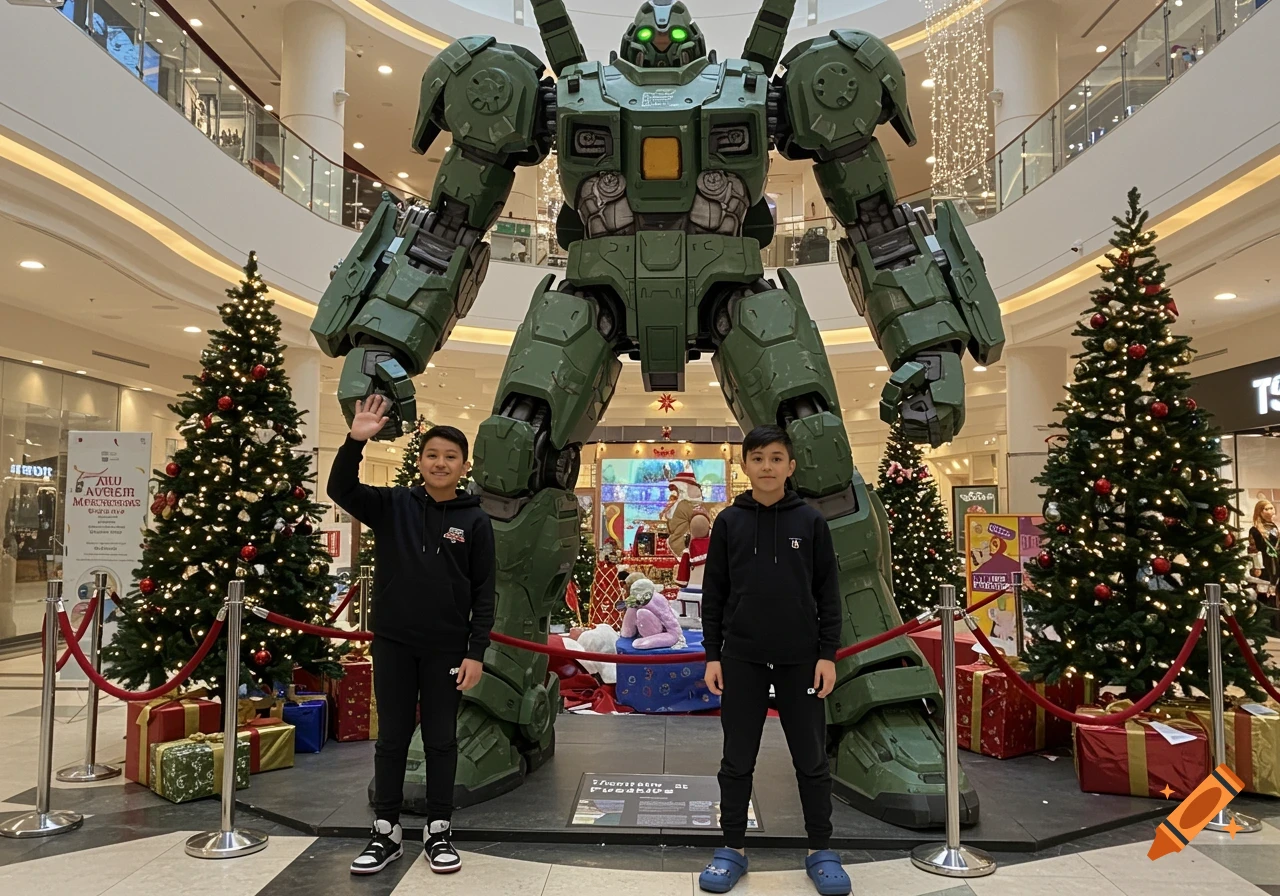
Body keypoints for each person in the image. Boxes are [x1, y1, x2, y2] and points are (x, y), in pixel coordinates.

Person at [328, 395, 495, 876]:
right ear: (420, 461)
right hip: (394, 642)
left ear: (464, 465)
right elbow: (340, 487)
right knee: (393, 738)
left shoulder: (475, 520)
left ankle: (439, 828)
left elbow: (485, 591)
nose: (440, 463)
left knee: (442, 739)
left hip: (447, 648)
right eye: (432, 455)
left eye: (450, 456)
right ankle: (387, 831)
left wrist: (476, 651)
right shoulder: (393, 504)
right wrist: (355, 441)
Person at [698, 424, 849, 896]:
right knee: (736, 759)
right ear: (745, 465)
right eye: (758, 458)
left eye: (776, 458)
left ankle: (820, 849)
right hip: (740, 657)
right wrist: (712, 655)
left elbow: (828, 592)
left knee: (811, 759)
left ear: (791, 466)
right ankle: (731, 848)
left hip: (800, 661)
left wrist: (827, 654)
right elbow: (714, 594)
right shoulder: (728, 522)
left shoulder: (810, 521)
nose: (767, 467)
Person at [1249, 499, 1280, 630]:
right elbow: (1253, 550)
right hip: (1264, 564)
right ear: (1259, 512)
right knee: (1265, 591)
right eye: (1265, 509)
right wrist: (1256, 566)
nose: (1269, 511)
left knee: (1275, 591)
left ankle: (1276, 624)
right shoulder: (1255, 529)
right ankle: (1264, 624)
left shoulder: (1274, 527)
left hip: (1276, 562)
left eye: (1271, 508)